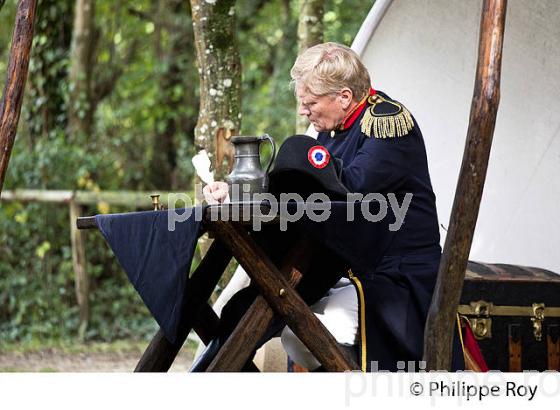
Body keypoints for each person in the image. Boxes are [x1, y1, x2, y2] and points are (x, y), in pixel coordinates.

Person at [203, 42, 462, 372]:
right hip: (346, 268)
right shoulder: (333, 129)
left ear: (343, 97)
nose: (302, 112)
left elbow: (349, 190)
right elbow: (308, 188)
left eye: (309, 103)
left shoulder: (387, 123)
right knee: (243, 311)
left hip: (393, 279)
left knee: (294, 327)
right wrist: (238, 193)